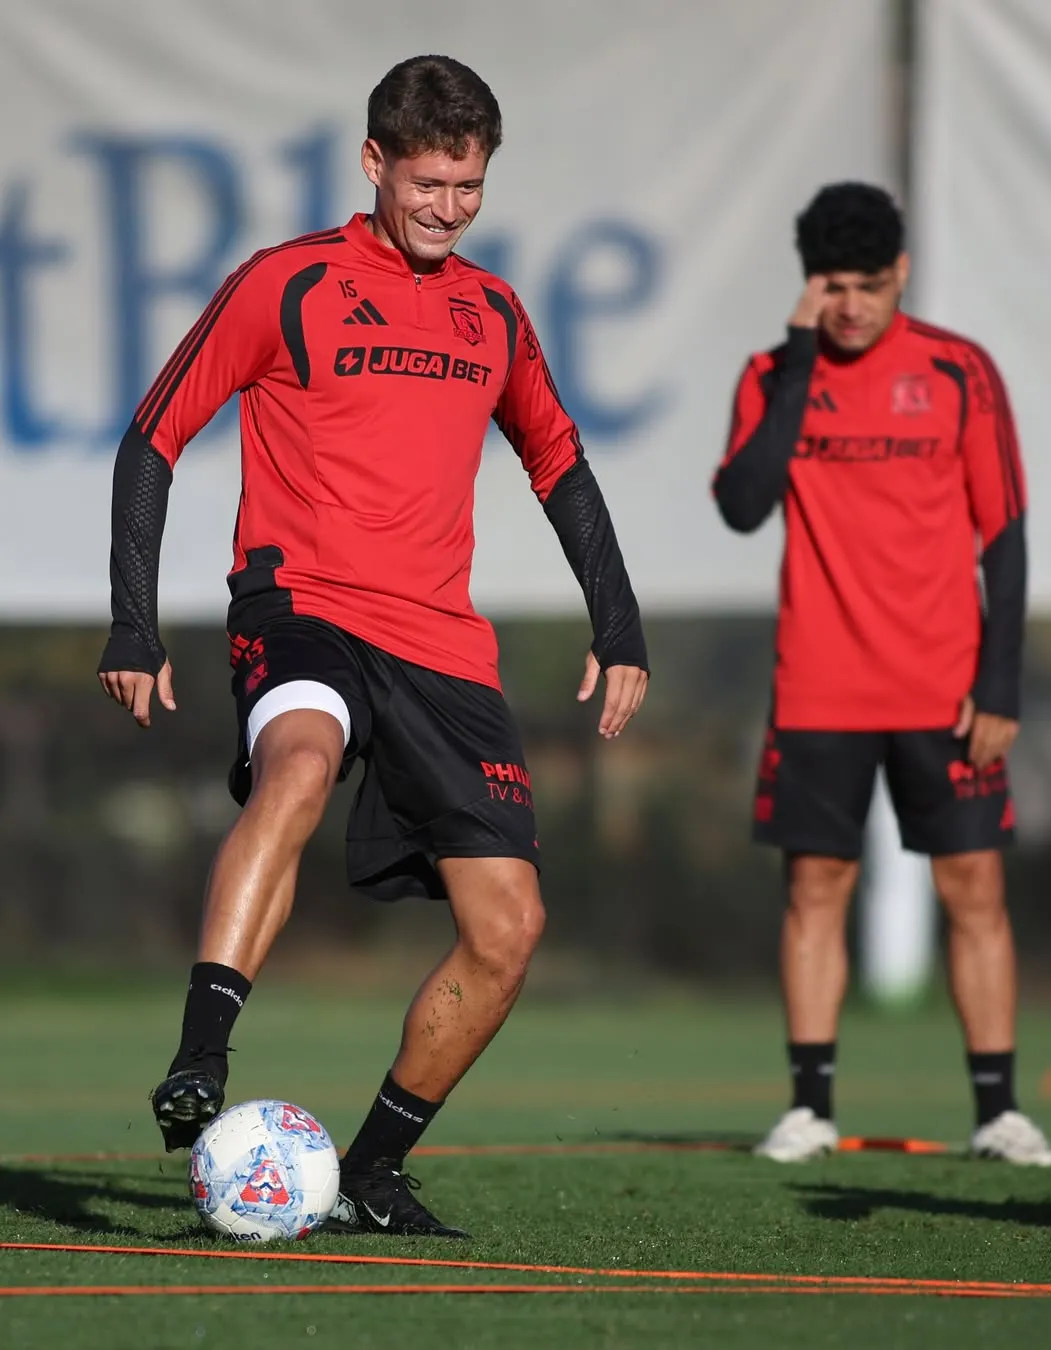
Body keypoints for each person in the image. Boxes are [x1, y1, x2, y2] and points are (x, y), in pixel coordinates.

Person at [97, 55, 649, 1236]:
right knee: (298, 765)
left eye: (469, 185)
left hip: (441, 645)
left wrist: (620, 624)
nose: (448, 207)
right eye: (427, 182)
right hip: (302, 605)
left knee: (509, 930)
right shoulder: (286, 282)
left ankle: (370, 1173)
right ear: (374, 164)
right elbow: (153, 436)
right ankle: (200, 1056)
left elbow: (558, 460)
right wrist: (133, 622)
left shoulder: (493, 312)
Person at [711, 182, 1051, 1166]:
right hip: (818, 688)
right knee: (816, 888)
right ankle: (808, 1108)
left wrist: (1001, 684)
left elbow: (1006, 536)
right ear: (808, 285)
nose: (853, 306)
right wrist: (796, 362)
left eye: (870, 284)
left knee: (974, 888)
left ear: (901, 273)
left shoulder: (959, 371)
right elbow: (743, 504)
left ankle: (998, 1111)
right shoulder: (772, 373)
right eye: (834, 286)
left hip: (946, 691)